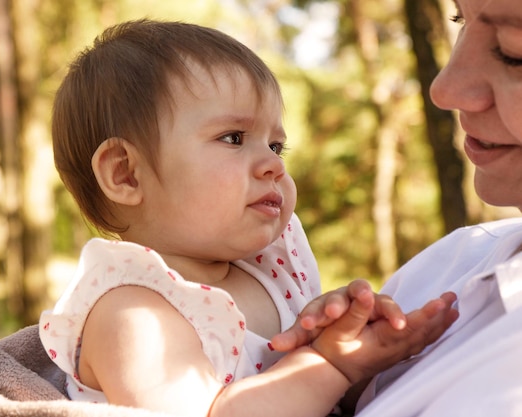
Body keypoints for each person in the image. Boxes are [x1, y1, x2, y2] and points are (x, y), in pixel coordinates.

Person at [39, 20, 457, 417]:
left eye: (276, 146)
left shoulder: (273, 270)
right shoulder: (131, 314)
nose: (272, 165)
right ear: (125, 174)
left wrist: (352, 342)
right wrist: (330, 364)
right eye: (234, 138)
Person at [277, 0, 522, 415]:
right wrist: (330, 371)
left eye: (513, 51)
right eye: (460, 19)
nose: (444, 89)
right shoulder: (445, 268)